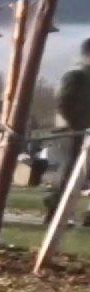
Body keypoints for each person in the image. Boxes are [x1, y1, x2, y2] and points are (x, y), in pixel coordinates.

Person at [43, 38, 90, 225]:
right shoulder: (76, 75)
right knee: (69, 172)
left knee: (77, 173)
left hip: (83, 132)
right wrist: (76, 124)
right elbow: (64, 101)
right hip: (72, 132)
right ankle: (56, 210)